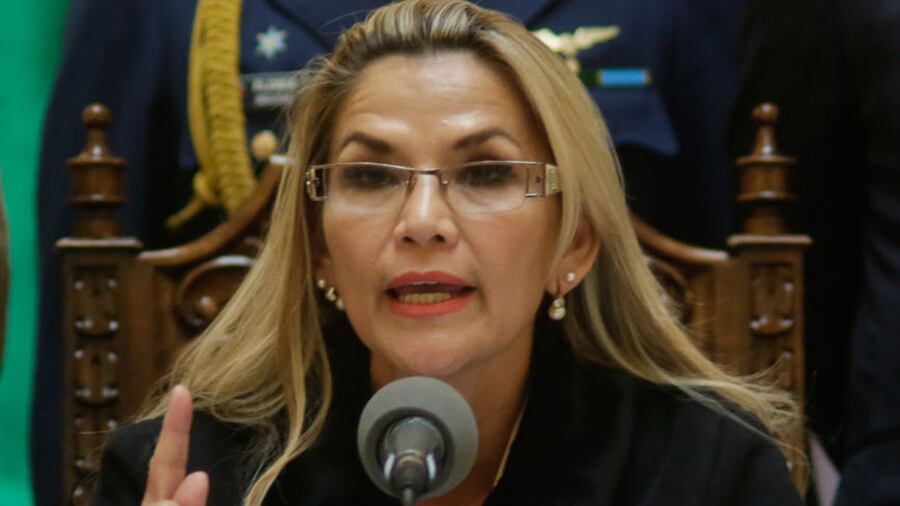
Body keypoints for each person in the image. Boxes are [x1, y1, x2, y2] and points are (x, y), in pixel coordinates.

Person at [91, 2, 800, 505]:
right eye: (371, 177)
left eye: (485, 173)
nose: (423, 222)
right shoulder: (183, 475)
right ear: (318, 250)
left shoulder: (711, 472)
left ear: (574, 244)